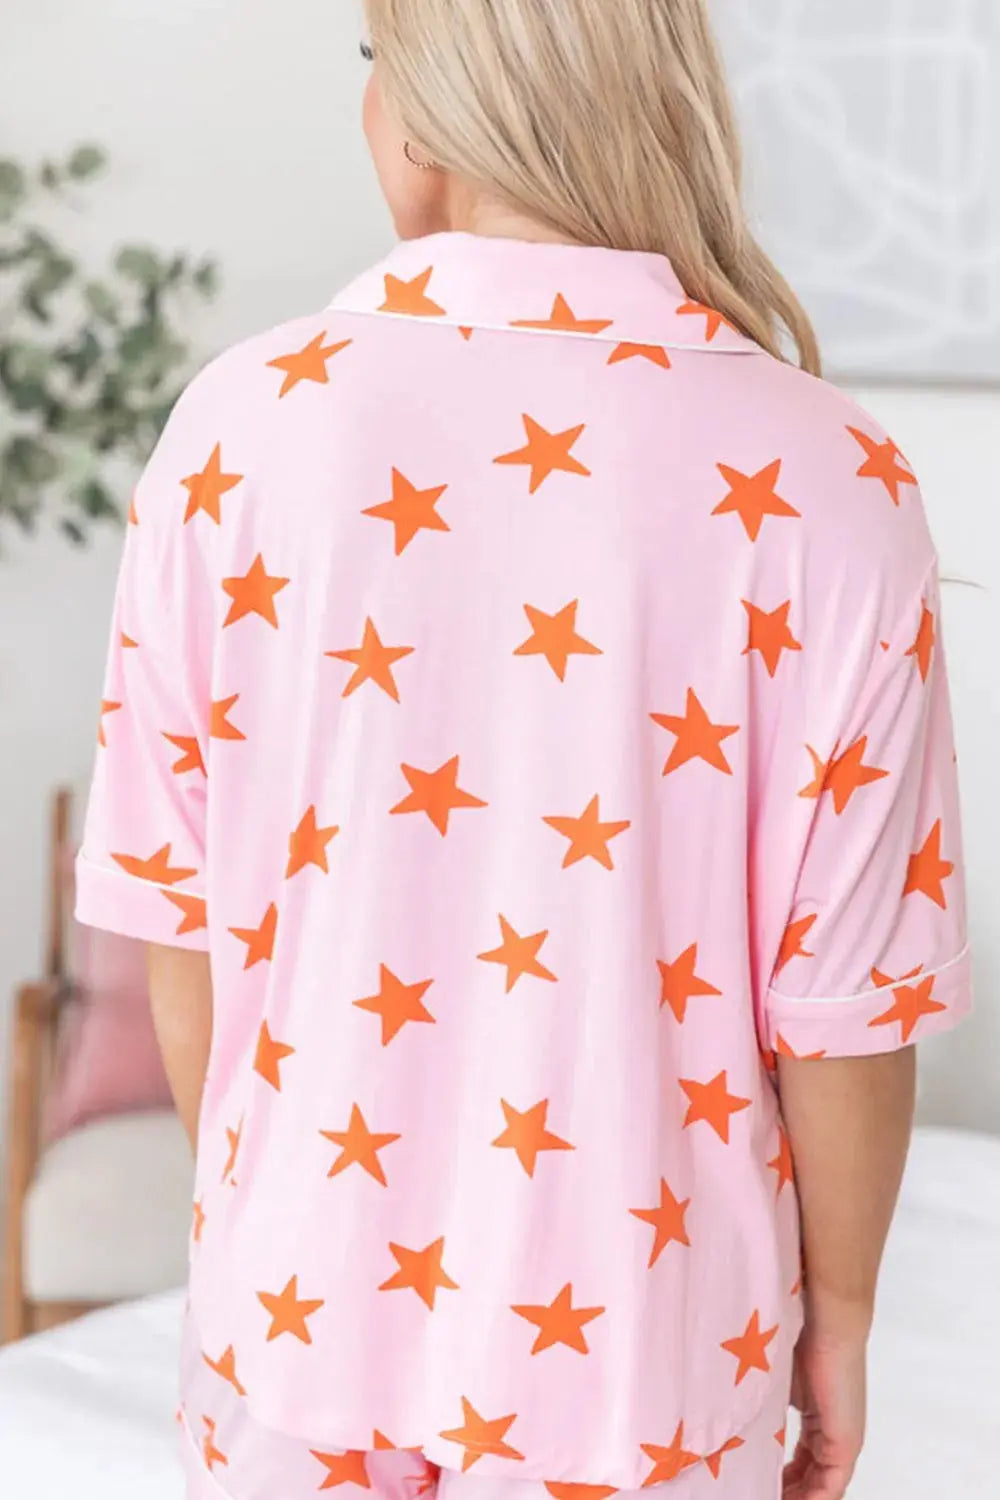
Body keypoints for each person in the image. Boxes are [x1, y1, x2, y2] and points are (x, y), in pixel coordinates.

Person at [75, 3, 972, 1498]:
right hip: (656, 1367)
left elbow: (184, 933)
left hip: (289, 1329)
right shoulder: (834, 476)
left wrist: (266, 1224)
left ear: (429, 114)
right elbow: (845, 1010)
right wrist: (844, 1320)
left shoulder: (232, 432)